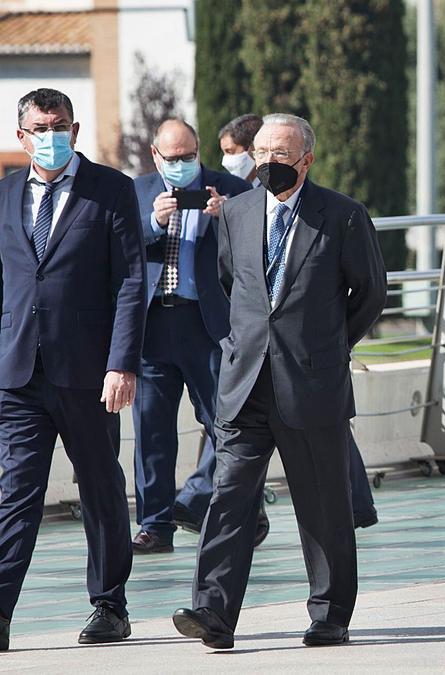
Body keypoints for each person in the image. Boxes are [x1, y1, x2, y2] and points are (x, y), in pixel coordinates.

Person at [171, 113, 386, 650]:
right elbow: (227, 284)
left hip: (312, 383)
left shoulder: (342, 217)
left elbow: (370, 294)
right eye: (262, 153)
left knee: (323, 505)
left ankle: (330, 614)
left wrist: (328, 348)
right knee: (228, 498)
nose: (268, 163)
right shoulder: (237, 213)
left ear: (306, 160)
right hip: (246, 384)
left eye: (280, 155)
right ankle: (213, 615)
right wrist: (240, 345)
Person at [0, 88, 146, 649]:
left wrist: (122, 363)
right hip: (19, 373)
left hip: (90, 373)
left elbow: (132, 281)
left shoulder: (110, 191)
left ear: (75, 130)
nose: (49, 135)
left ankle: (110, 604)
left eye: (58, 125)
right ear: (22, 136)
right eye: (39, 127)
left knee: (101, 487)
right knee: (16, 492)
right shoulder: (7, 194)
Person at [130, 119, 252, 555]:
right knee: (151, 432)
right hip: (153, 325)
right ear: (155, 155)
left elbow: (254, 253)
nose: (180, 166)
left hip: (208, 326)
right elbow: (122, 248)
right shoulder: (138, 192)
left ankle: (243, 514)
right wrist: (153, 223)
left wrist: (226, 220)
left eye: (188, 157)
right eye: (171, 158)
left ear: (199, 151)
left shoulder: (232, 191)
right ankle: (155, 524)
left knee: (228, 425)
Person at [218, 114, 262, 185]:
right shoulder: (233, 191)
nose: (224, 162)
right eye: (224, 153)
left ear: (253, 148)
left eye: (230, 151)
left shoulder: (273, 190)